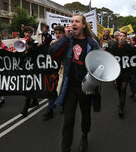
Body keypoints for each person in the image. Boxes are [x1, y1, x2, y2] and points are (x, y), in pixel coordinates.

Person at [49, 14, 100, 152]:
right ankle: (65, 148)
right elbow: (52, 52)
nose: (73, 23)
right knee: (68, 120)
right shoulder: (67, 41)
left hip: (86, 87)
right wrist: (65, 37)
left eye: (77, 21)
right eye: (71, 21)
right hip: (70, 87)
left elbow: (101, 64)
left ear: (83, 25)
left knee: (85, 116)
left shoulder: (92, 43)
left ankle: (84, 135)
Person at [108, 32, 136, 117]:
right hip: (117, 72)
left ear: (126, 38)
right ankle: (121, 101)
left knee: (123, 88)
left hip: (126, 71)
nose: (121, 38)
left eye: (123, 36)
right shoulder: (113, 47)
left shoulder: (129, 47)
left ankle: (121, 107)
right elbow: (108, 56)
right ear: (117, 37)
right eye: (120, 36)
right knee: (119, 88)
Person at [42, 25, 66, 121]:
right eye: (56, 33)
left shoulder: (66, 43)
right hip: (53, 70)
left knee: (62, 89)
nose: (57, 35)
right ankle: (50, 110)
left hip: (62, 70)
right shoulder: (53, 43)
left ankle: (63, 104)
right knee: (51, 90)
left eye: (59, 33)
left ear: (64, 34)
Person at [21, 26, 40, 117]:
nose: (27, 34)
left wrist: (29, 48)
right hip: (25, 67)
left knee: (29, 86)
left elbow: (35, 54)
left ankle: (25, 109)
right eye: (26, 32)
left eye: (29, 32)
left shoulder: (35, 42)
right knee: (29, 85)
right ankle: (35, 100)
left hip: (33, 68)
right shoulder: (22, 42)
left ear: (32, 33)